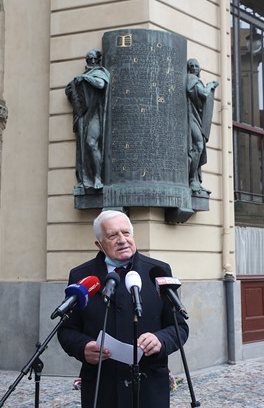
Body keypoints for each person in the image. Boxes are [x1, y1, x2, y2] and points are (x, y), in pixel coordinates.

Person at [57, 210, 189, 408]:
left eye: (126, 233)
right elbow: (67, 330)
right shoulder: (82, 276)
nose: (122, 240)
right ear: (99, 244)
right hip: (102, 388)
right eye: (112, 235)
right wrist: (83, 347)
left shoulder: (158, 271)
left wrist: (160, 340)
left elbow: (179, 327)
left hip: (149, 388)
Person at [65, 49, 110, 192]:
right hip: (83, 116)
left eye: (93, 59)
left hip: (95, 114)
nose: (90, 61)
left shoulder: (99, 72)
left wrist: (85, 79)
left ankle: (97, 177)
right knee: (83, 148)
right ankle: (86, 179)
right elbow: (70, 91)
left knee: (91, 143)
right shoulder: (83, 75)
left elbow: (101, 84)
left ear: (97, 60)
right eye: (88, 59)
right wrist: (72, 90)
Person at [186, 58, 218, 193]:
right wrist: (210, 85)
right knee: (198, 146)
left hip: (196, 118)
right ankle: (192, 179)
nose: (194, 68)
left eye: (196, 66)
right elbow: (204, 94)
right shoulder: (192, 79)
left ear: (199, 69)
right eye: (191, 66)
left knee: (198, 146)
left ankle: (196, 180)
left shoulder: (194, 80)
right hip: (190, 119)